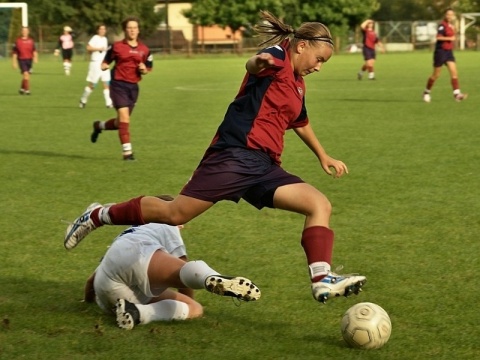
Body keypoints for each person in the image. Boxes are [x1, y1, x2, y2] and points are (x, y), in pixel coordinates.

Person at [65, 11, 366, 304]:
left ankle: (321, 278)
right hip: (235, 156)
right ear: (302, 46)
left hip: (264, 166)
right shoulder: (276, 56)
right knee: (175, 215)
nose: (319, 67)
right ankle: (97, 215)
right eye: (319, 59)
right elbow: (255, 64)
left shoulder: (298, 84)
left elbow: (299, 121)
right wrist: (257, 62)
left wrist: (322, 155)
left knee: (318, 204)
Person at [83, 196, 260, 330]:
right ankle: (209, 276)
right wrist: (188, 302)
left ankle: (134, 312)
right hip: (137, 255)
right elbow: (182, 266)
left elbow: (91, 281)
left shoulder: (129, 230)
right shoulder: (167, 223)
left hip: (106, 294)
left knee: (148, 286)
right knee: (192, 299)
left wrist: (88, 301)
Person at [89, 16, 152, 161]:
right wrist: (104, 65)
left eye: (135, 28)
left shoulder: (145, 50)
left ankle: (99, 126)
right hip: (118, 85)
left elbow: (148, 68)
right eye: (129, 28)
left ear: (138, 30)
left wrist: (144, 70)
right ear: (125, 30)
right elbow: (106, 60)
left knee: (120, 123)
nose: (132, 30)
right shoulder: (117, 46)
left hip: (133, 88)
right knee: (124, 119)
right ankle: (127, 153)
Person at [422, 8, 467, 103]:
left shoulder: (451, 25)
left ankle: (457, 94)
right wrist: (450, 38)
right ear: (445, 15)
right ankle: (426, 92)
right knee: (436, 75)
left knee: (454, 72)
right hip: (440, 52)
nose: (449, 16)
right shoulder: (442, 26)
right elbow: (438, 37)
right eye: (448, 14)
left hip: (449, 52)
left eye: (451, 14)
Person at [79, 24, 113, 109]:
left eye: (104, 29)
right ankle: (83, 100)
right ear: (98, 30)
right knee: (92, 85)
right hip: (95, 63)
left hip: (104, 63)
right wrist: (98, 49)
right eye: (101, 29)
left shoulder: (105, 39)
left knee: (106, 83)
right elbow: (88, 48)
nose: (102, 30)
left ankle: (108, 103)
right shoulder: (95, 38)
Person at [12, 26, 38, 95]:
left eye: (26, 31)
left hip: (29, 60)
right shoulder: (18, 41)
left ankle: (22, 88)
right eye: (23, 31)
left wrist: (35, 58)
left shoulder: (31, 41)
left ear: (28, 32)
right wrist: (14, 62)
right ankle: (27, 90)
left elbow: (34, 50)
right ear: (21, 32)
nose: (24, 32)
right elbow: (14, 53)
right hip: (21, 60)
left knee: (27, 76)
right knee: (26, 74)